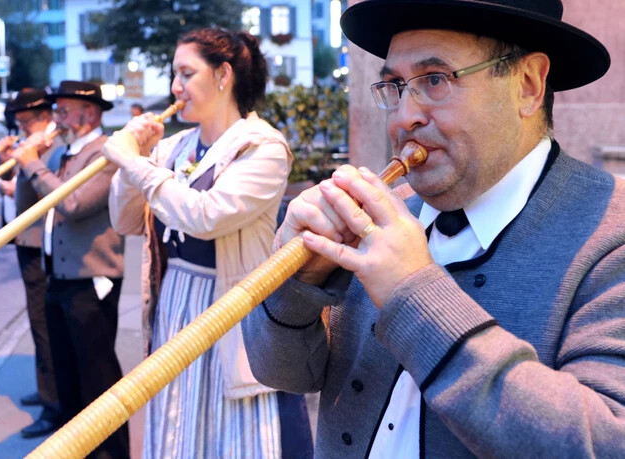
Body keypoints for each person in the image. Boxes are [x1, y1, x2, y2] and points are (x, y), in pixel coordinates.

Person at [242, 0, 624, 457]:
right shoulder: (384, 213)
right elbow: (282, 374)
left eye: (435, 80)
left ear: (527, 85)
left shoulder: (610, 236)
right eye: (396, 86)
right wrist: (297, 288)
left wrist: (411, 292)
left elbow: (601, 443)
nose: (404, 117)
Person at [104, 28, 313, 458]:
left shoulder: (263, 147)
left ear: (223, 75)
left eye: (186, 73)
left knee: (234, 434)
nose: (175, 88)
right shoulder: (175, 145)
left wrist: (132, 163)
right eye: (174, 75)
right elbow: (124, 221)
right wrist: (135, 161)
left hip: (232, 308)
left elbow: (205, 216)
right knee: (180, 425)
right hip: (175, 299)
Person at [10, 80, 128, 456]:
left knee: (97, 379)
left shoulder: (104, 153)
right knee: (67, 376)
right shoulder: (63, 152)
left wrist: (31, 163)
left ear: (88, 113)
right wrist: (30, 157)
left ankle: (109, 453)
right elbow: (33, 204)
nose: (56, 117)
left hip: (91, 279)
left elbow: (73, 204)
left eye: (62, 110)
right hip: (59, 276)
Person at [0, 89, 65, 438]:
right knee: (38, 321)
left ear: (43, 115)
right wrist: (8, 163)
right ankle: (46, 389)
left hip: (43, 245)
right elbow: (23, 185)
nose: (21, 127)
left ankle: (55, 407)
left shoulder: (53, 143)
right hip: (28, 241)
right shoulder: (32, 142)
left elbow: (50, 187)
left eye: (25, 121)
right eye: (19, 122)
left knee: (45, 324)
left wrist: (24, 159)